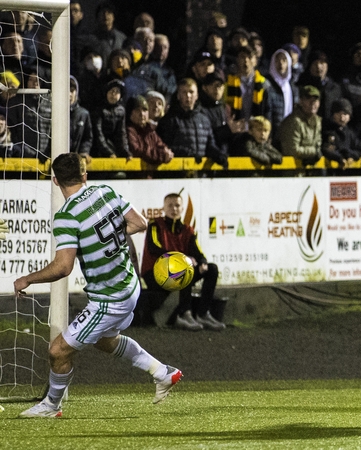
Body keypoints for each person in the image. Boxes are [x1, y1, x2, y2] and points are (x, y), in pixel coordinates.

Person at [14, 153, 182, 418]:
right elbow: (139, 222)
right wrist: (109, 237)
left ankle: (51, 406)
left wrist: (27, 279)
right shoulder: (106, 191)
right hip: (130, 285)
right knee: (105, 341)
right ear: (84, 176)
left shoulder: (67, 215)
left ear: (55, 181)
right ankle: (163, 373)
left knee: (57, 351)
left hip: (109, 300)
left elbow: (63, 267)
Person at [136, 193, 225, 332]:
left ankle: (203, 314)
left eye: (177, 205)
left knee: (211, 269)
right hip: (154, 274)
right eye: (170, 205)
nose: (174, 209)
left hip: (177, 272)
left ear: (182, 208)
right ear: (163, 208)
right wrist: (182, 258)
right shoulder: (154, 225)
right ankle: (184, 315)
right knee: (185, 267)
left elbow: (197, 251)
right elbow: (154, 248)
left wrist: (202, 262)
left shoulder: (187, 230)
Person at [157, 78, 227, 168]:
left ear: (197, 95)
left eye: (191, 92)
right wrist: (188, 154)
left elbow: (209, 145)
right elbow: (164, 146)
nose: (188, 96)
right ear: (178, 96)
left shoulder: (204, 120)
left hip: (200, 174)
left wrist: (218, 154)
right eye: (184, 92)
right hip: (176, 173)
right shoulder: (169, 120)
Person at [280, 85, 322, 166]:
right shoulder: (293, 121)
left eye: (315, 100)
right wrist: (314, 152)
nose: (312, 103)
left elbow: (318, 144)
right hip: (292, 172)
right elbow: (292, 150)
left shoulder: (318, 121)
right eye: (308, 99)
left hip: (311, 171)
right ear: (301, 101)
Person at [126, 95, 173, 165]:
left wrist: (167, 153)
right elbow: (137, 151)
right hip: (135, 175)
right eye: (137, 110)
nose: (142, 114)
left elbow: (161, 146)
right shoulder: (128, 131)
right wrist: (162, 155)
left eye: (144, 110)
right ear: (130, 113)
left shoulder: (150, 131)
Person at [91, 79, 130, 159]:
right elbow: (98, 133)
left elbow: (121, 133)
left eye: (117, 92)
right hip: (97, 148)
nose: (114, 94)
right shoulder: (99, 110)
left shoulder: (121, 111)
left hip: (112, 146)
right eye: (111, 91)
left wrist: (125, 151)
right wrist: (108, 152)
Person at [321, 98, 361, 166]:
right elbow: (327, 149)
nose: (342, 118)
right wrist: (339, 158)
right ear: (333, 115)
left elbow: (359, 150)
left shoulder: (351, 133)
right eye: (338, 114)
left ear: (349, 117)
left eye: (345, 114)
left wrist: (351, 155)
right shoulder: (328, 132)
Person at [69, 76, 93, 157]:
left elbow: (88, 137)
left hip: (77, 159)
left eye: (72, 91)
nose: (69, 94)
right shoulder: (54, 112)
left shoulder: (83, 114)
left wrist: (84, 151)